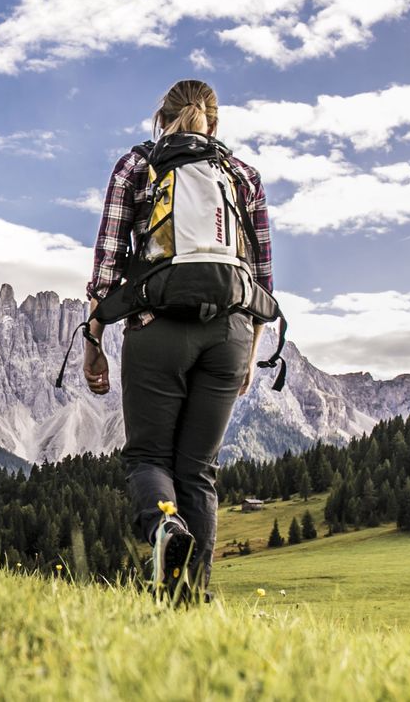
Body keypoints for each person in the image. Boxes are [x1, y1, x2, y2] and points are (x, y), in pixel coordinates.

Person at [81, 78, 272, 600]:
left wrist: (93, 338)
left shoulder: (135, 166)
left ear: (160, 116)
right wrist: (249, 354)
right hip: (231, 332)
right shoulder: (243, 175)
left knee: (149, 460)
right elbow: (262, 276)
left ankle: (166, 531)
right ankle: (192, 599)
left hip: (156, 326)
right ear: (215, 121)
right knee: (199, 472)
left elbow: (107, 264)